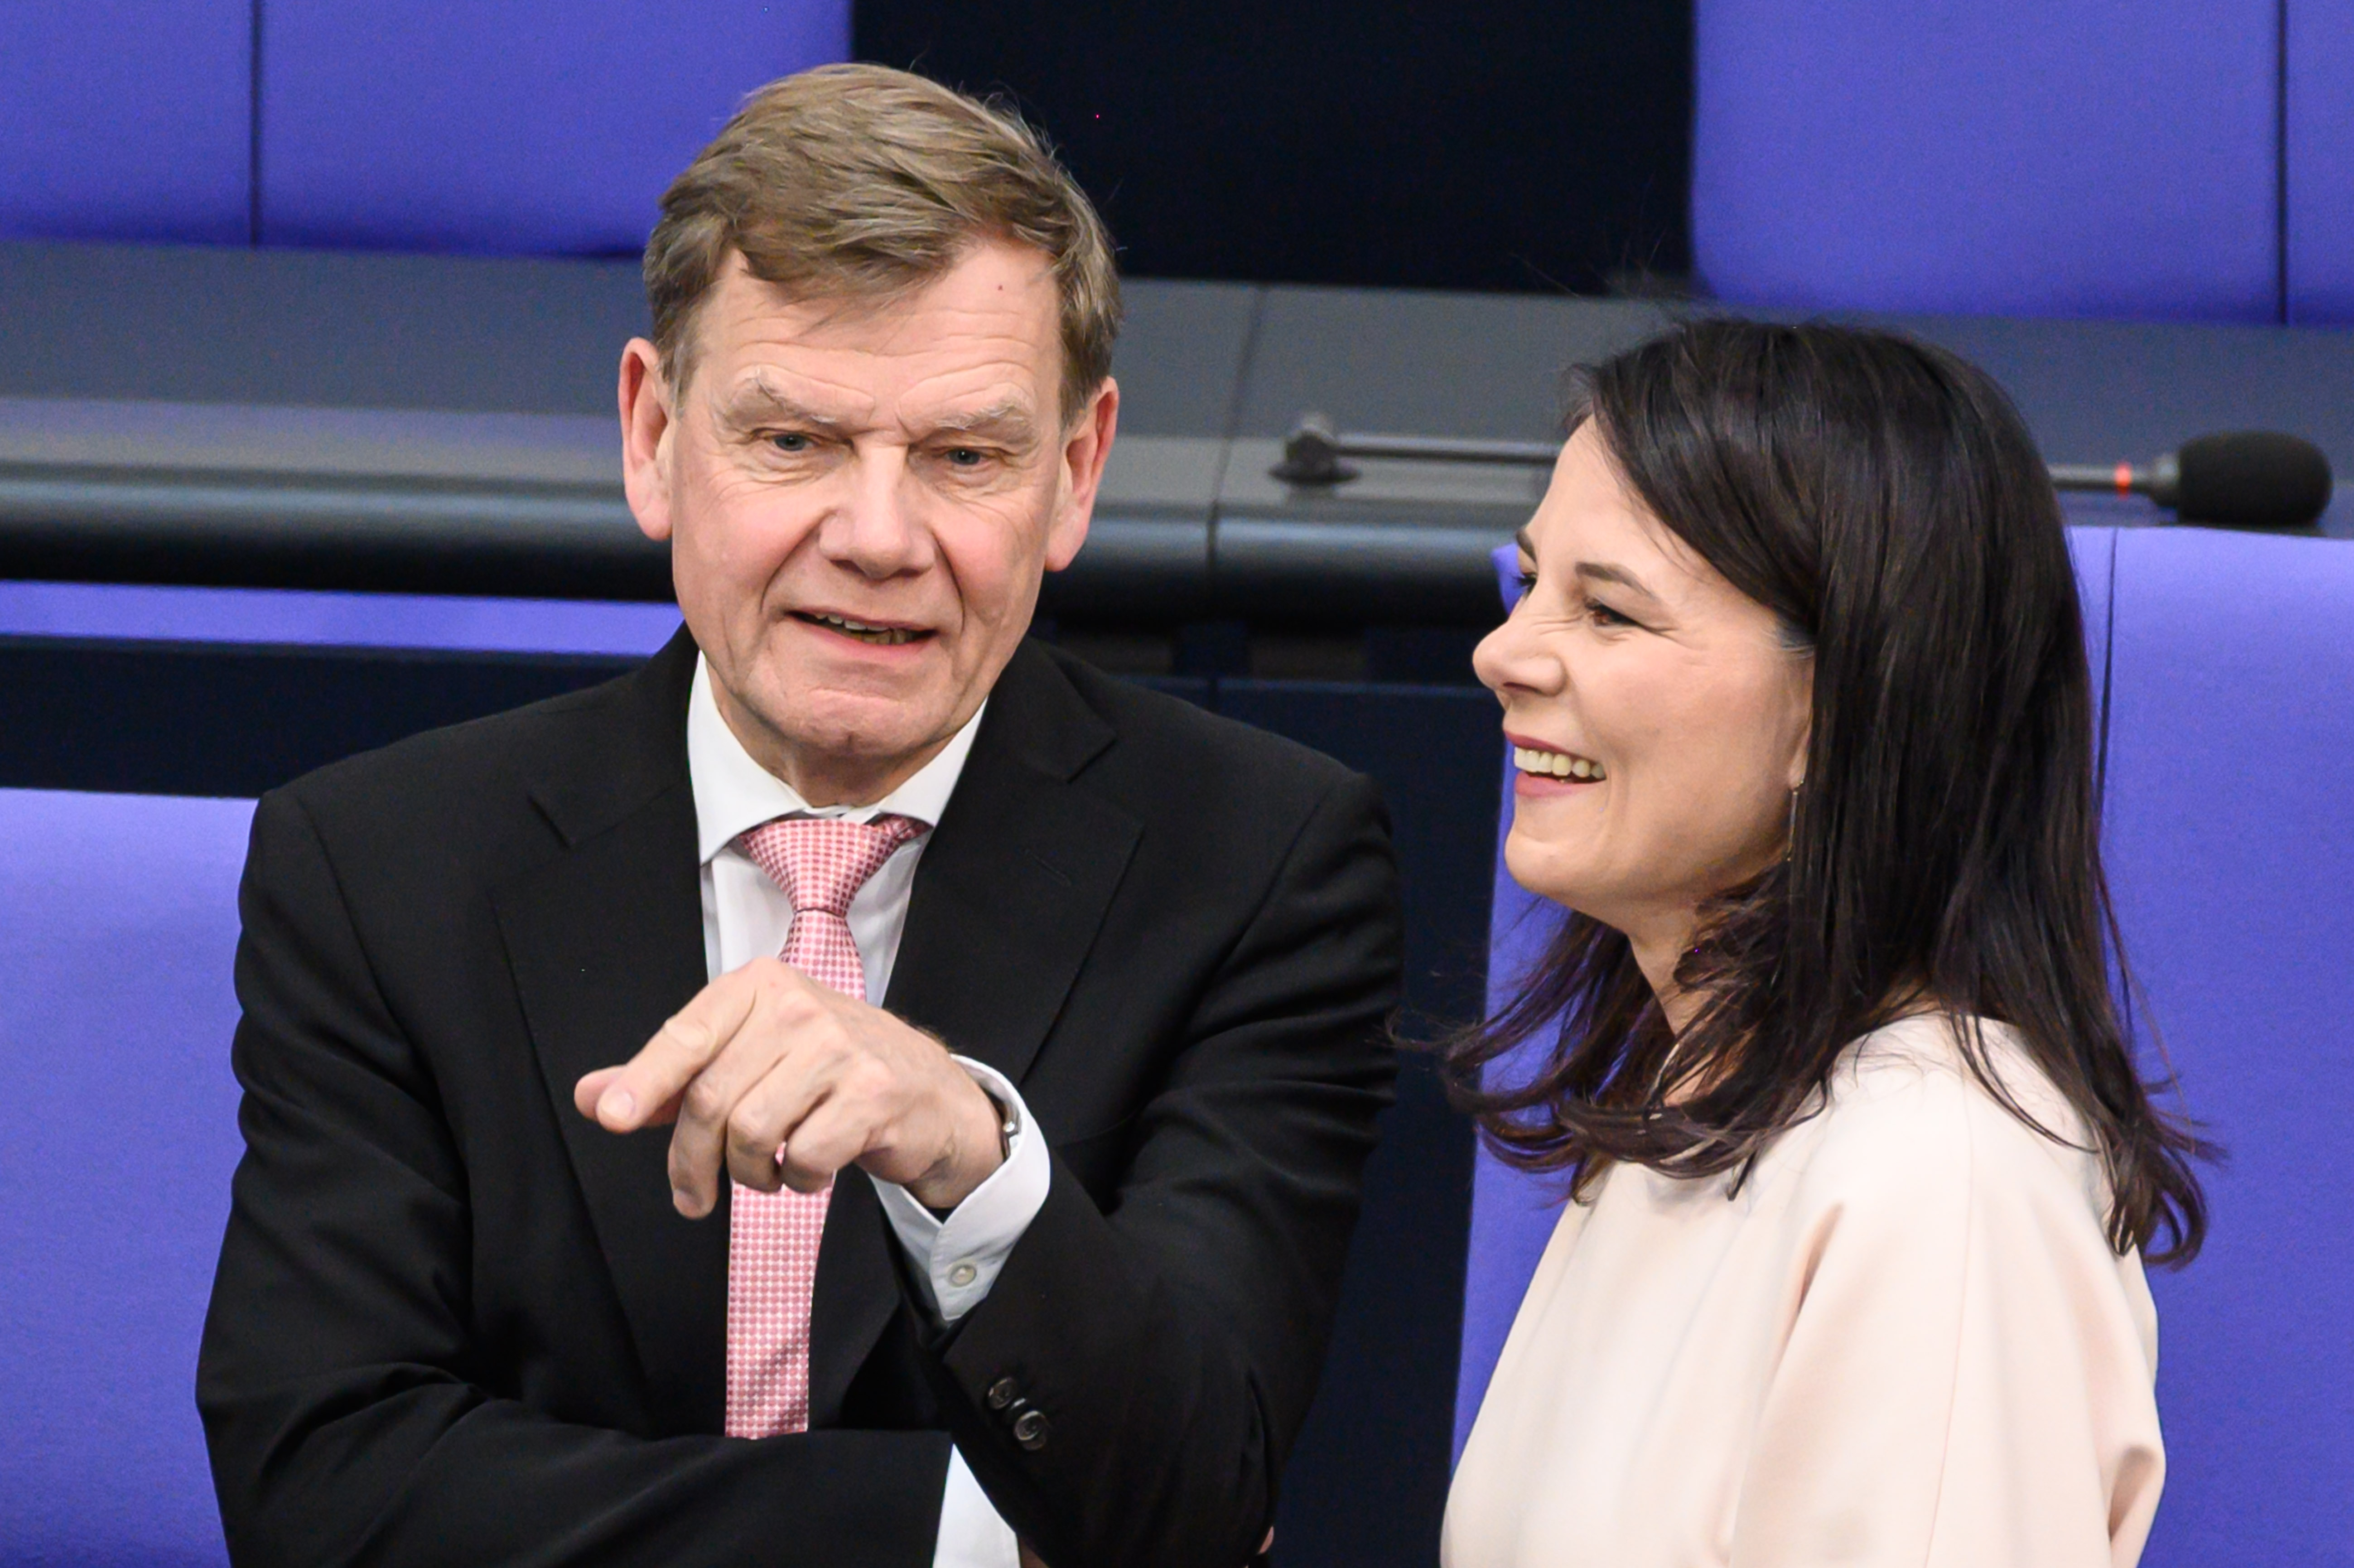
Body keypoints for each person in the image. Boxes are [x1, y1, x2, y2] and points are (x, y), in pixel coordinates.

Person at [198, 64, 1402, 1568]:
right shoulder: (380, 864)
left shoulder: (1263, 862)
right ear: (652, 434)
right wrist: (956, 1541)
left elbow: (1189, 1502)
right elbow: (322, 1489)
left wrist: (970, 1154)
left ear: (1076, 473)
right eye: (794, 442)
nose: (879, 538)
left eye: (965, 457)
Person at [1442, 320, 2205, 1567]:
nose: (1503, 652)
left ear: (1838, 707)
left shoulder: (1935, 1179)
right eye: (1533, 585)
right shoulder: (1707, 1089)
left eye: (1610, 612)